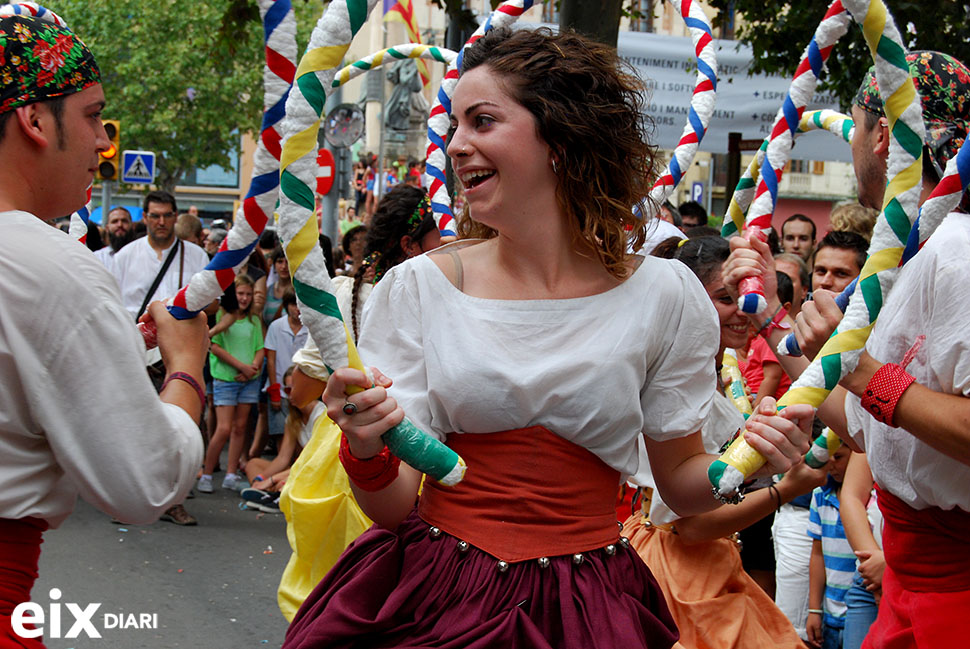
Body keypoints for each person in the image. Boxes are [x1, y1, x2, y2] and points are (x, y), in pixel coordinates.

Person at [282, 27, 812, 648]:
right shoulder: (416, 289)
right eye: (455, 126)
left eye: (482, 121)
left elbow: (683, 488)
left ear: (560, 138)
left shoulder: (665, 294)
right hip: (434, 597)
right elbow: (395, 506)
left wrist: (750, 456)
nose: (456, 146)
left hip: (585, 610)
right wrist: (366, 448)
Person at [729, 50, 970, 649]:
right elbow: (872, 429)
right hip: (911, 590)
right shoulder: (915, 256)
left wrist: (868, 375)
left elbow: (881, 394)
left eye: (857, 130)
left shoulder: (958, 253)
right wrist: (773, 318)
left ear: (883, 134)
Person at [0, 9, 207, 645]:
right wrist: (186, 366)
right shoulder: (46, 263)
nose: (104, 142)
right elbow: (143, 482)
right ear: (35, 119)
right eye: (92, 115)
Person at [621, 236, 825, 649]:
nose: (742, 309)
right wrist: (786, 490)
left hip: (713, 562)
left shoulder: (714, 379)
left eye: (743, 295)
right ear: (691, 302)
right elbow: (688, 525)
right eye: (724, 297)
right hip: (678, 574)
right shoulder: (674, 394)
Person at [278, 184, 441, 621]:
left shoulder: (340, 291)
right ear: (410, 245)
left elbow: (301, 391)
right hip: (416, 452)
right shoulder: (431, 296)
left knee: (338, 589)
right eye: (435, 238)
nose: (443, 246)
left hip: (342, 452)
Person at [198, 274, 265, 494]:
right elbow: (215, 346)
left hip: (249, 381)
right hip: (226, 378)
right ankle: (207, 473)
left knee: (240, 427)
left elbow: (259, 347)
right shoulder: (222, 315)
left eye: (248, 294)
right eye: (240, 293)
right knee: (224, 428)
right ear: (233, 294)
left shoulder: (254, 320)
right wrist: (241, 367)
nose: (244, 298)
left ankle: (230, 474)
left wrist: (252, 367)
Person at [112, 190, 210, 319]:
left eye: (167, 215)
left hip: (181, 335)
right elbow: (112, 303)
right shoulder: (124, 256)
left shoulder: (197, 255)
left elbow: (212, 302)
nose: (162, 222)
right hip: (136, 336)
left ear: (176, 216)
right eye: (155, 216)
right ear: (145, 217)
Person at [807, 445, 854, 649]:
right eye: (828, 457)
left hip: (864, 610)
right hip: (830, 615)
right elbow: (817, 555)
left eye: (839, 456)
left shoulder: (874, 499)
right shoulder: (820, 496)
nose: (832, 463)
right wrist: (814, 610)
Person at [839, 452, 883, 649]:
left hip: (936, 575)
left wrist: (891, 564)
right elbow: (851, 496)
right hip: (869, 579)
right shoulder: (876, 423)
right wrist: (873, 566)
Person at [93, 206, 134, 272]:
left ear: (132, 226)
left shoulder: (142, 256)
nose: (120, 225)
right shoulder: (97, 258)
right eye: (115, 221)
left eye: (124, 221)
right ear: (107, 228)